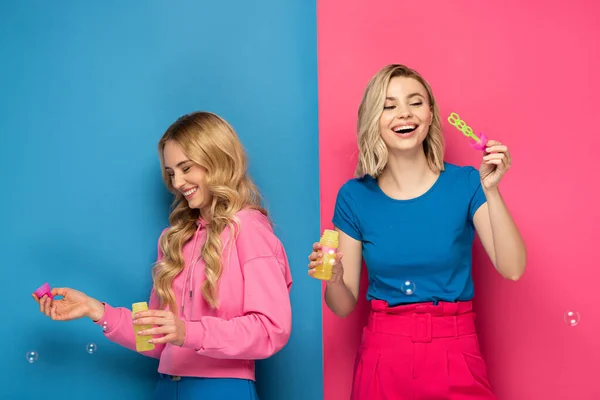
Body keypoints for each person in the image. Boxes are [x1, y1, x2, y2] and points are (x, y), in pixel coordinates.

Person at [32, 111, 293, 400]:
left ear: (217, 159)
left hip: (222, 389)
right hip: (167, 389)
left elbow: (271, 329)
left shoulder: (249, 228)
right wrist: (96, 310)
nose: (178, 182)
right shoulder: (174, 239)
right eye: (171, 173)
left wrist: (188, 332)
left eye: (186, 168)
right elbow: (155, 339)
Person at [308, 64, 526, 399]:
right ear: (372, 119)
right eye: (389, 105)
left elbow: (512, 269)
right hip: (384, 354)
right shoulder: (354, 197)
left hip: (456, 348)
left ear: (430, 115)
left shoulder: (467, 183)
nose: (404, 113)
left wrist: (492, 190)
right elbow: (342, 306)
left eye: (415, 102)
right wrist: (334, 278)